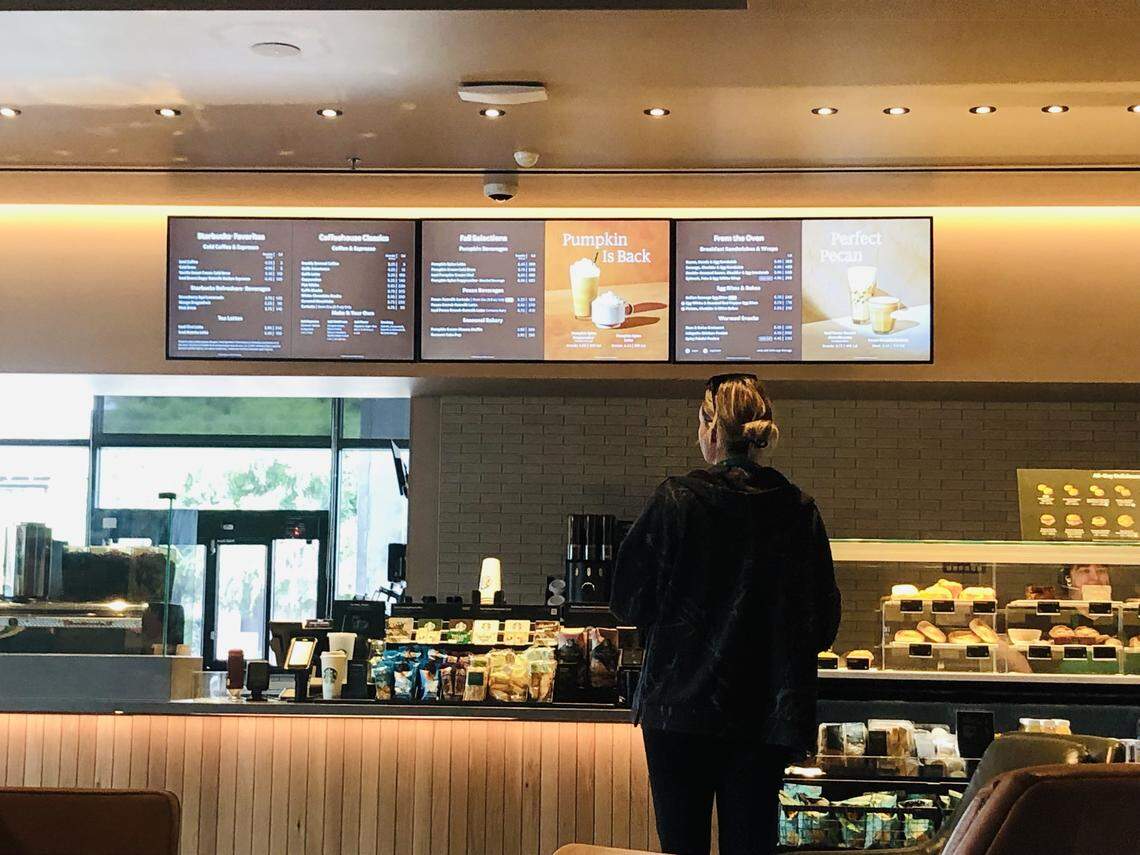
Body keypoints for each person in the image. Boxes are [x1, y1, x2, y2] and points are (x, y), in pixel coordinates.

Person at [610, 373, 841, 855]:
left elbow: (627, 599)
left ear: (712, 430)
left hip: (677, 709)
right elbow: (823, 624)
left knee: (682, 844)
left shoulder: (675, 500)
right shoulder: (799, 511)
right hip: (764, 715)